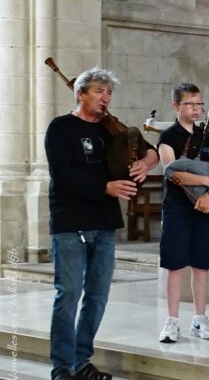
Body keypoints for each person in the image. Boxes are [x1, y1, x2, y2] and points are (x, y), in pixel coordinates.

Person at [45, 67, 159, 380]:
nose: (105, 97)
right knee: (68, 295)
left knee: (97, 297)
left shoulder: (112, 130)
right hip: (70, 223)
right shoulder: (60, 128)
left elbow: (151, 152)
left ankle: (82, 362)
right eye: (98, 91)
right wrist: (105, 188)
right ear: (80, 93)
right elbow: (63, 175)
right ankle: (62, 367)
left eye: (108, 92)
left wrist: (143, 164)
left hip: (104, 223)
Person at [157, 83, 209, 344]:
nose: (196, 109)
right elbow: (173, 173)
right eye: (190, 104)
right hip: (177, 208)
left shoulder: (208, 138)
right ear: (176, 106)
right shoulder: (168, 138)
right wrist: (207, 181)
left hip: (204, 208)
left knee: (201, 265)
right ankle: (172, 321)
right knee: (175, 265)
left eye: (199, 104)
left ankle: (200, 318)